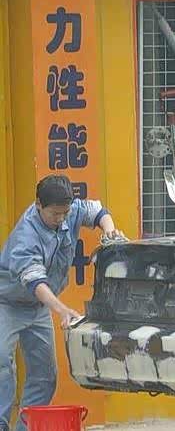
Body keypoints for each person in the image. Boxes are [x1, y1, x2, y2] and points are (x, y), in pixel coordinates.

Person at [0, 175, 123, 431]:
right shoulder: (26, 237)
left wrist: (110, 231)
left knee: (45, 376)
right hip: (7, 303)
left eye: (64, 213)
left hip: (38, 307)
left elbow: (98, 212)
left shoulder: (70, 210)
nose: (61, 219)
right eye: (55, 214)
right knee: (2, 364)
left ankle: (25, 428)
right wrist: (62, 309)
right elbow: (35, 282)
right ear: (38, 205)